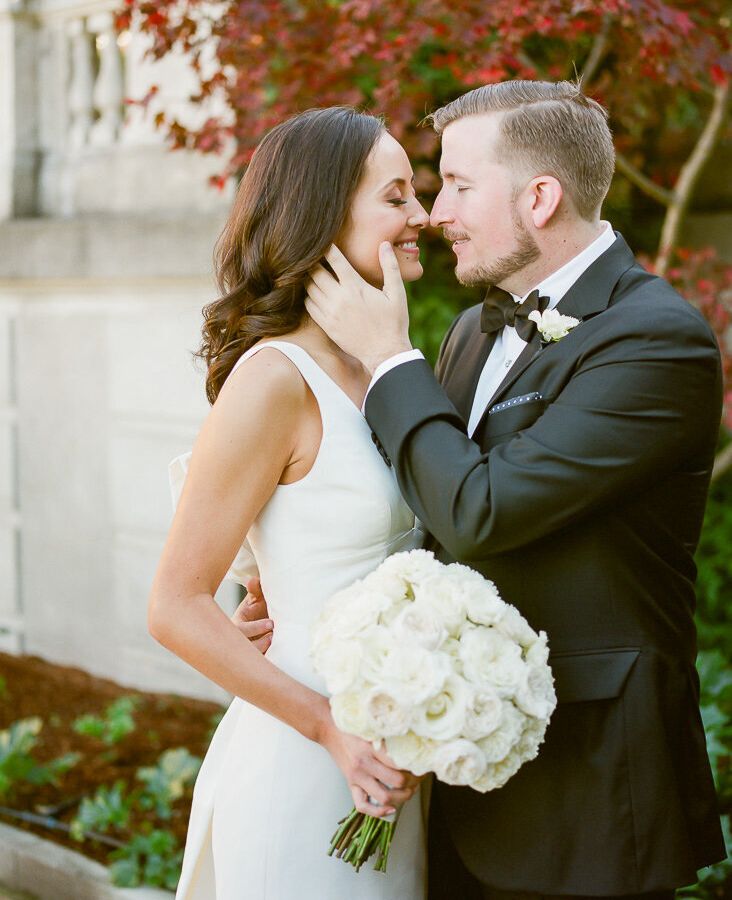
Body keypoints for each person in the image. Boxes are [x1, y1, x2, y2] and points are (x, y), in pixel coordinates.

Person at [302, 81, 727, 900]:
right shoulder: (471, 329)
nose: (434, 212)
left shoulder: (655, 340)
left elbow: (480, 511)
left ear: (540, 197)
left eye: (459, 185)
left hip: (588, 797)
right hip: (452, 774)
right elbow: (428, 508)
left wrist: (391, 361)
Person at [149, 105, 431, 900]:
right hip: (306, 761)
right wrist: (325, 727)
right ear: (325, 215)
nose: (421, 217)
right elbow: (174, 604)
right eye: (398, 196)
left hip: (391, 766)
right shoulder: (273, 380)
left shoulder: (386, 367)